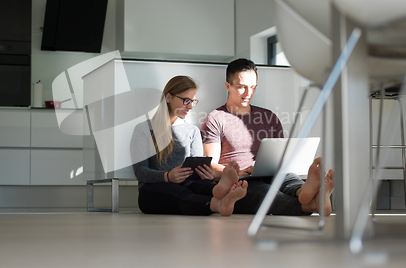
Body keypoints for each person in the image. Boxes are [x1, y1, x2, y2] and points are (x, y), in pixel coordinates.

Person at [200, 58, 335, 216]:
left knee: (289, 177)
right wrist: (237, 172)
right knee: (266, 194)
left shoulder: (268, 116)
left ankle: (304, 190)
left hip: (275, 173)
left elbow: (282, 155)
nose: (248, 93)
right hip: (243, 180)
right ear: (227, 86)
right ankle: (312, 203)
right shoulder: (215, 119)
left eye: (253, 87)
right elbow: (210, 166)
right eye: (242, 87)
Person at [130, 75, 248, 216]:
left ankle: (217, 190)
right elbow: (140, 172)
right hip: (151, 191)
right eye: (186, 101)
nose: (190, 107)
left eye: (193, 102)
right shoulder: (143, 129)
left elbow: (195, 169)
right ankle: (218, 203)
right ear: (168, 97)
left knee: (201, 186)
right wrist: (167, 176)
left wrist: (206, 175)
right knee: (179, 192)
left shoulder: (192, 131)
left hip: (187, 183)